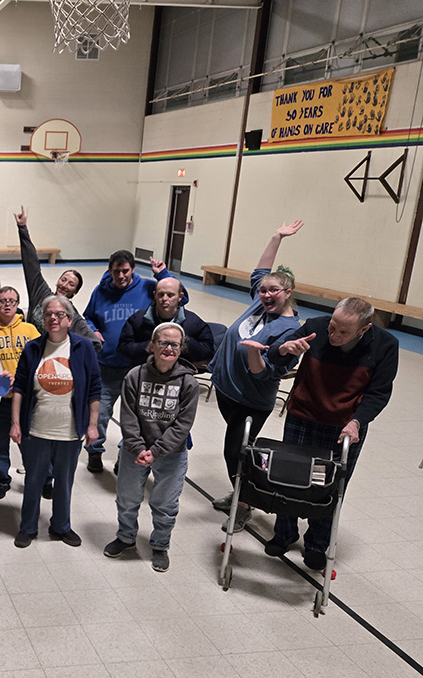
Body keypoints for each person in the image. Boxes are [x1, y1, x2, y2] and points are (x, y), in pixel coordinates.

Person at [250, 297, 397, 570]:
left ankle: (317, 543)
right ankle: (284, 533)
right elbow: (274, 356)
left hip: (346, 425)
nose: (334, 335)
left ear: (364, 330)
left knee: (332, 486)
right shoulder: (315, 327)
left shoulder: (386, 345)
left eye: (344, 332)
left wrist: (358, 422)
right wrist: (284, 349)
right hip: (303, 414)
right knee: (288, 478)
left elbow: (379, 393)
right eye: (333, 327)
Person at [207, 220, 304, 532]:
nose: (265, 294)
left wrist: (252, 353)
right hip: (225, 388)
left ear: (287, 293)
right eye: (263, 290)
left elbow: (267, 374)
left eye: (273, 290)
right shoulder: (258, 303)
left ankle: (244, 506)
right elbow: (261, 271)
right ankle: (242, 496)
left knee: (235, 451)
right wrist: (276, 236)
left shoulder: (290, 329)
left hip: (251, 400)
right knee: (240, 450)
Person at [103, 322, 199, 573]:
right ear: (152, 345)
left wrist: (155, 451)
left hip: (172, 453)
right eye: (163, 343)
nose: (169, 348)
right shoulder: (135, 375)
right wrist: (138, 448)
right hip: (134, 450)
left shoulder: (188, 383)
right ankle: (125, 537)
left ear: (181, 349)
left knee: (165, 503)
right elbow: (128, 417)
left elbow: (182, 425)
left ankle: (160, 544)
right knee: (127, 498)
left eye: (175, 344)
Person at [10, 295, 101, 549]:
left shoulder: (84, 348)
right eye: (48, 314)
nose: (53, 318)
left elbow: (95, 389)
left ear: (69, 320)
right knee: (34, 481)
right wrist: (16, 423)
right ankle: (27, 527)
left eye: (59, 314)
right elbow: (19, 388)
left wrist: (92, 425)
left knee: (64, 482)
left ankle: (61, 526)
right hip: (37, 428)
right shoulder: (33, 348)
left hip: (70, 430)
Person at [83, 249, 171, 474]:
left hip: (138, 369)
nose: (120, 276)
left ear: (133, 269)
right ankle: (95, 452)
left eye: (125, 271)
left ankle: (125, 454)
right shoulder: (100, 291)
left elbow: (180, 297)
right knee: (99, 414)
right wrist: (93, 330)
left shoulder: (148, 287)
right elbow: (88, 316)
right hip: (106, 367)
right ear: (109, 271)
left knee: (133, 418)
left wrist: (163, 275)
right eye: (115, 272)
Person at [0, 285, 40, 499]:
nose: (6, 304)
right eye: (2, 301)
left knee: (30, 443)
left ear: (17, 304)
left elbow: (40, 362)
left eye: (11, 301)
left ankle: (41, 479)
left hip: (27, 398)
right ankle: (3, 479)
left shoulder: (30, 330)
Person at [13, 207, 101, 347]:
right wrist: (22, 228)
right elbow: (31, 265)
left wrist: (71, 358)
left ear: (75, 292)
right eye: (63, 280)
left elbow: (95, 344)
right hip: (31, 355)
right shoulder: (41, 293)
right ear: (57, 281)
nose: (65, 285)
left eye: (71, 284)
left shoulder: (73, 317)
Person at [118, 277, 216, 367]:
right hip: (145, 372)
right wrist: (150, 346)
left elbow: (208, 350)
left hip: (179, 375)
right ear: (154, 295)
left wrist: (185, 343)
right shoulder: (138, 319)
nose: (164, 299)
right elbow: (123, 348)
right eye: (160, 294)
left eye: (170, 295)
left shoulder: (193, 322)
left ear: (180, 297)